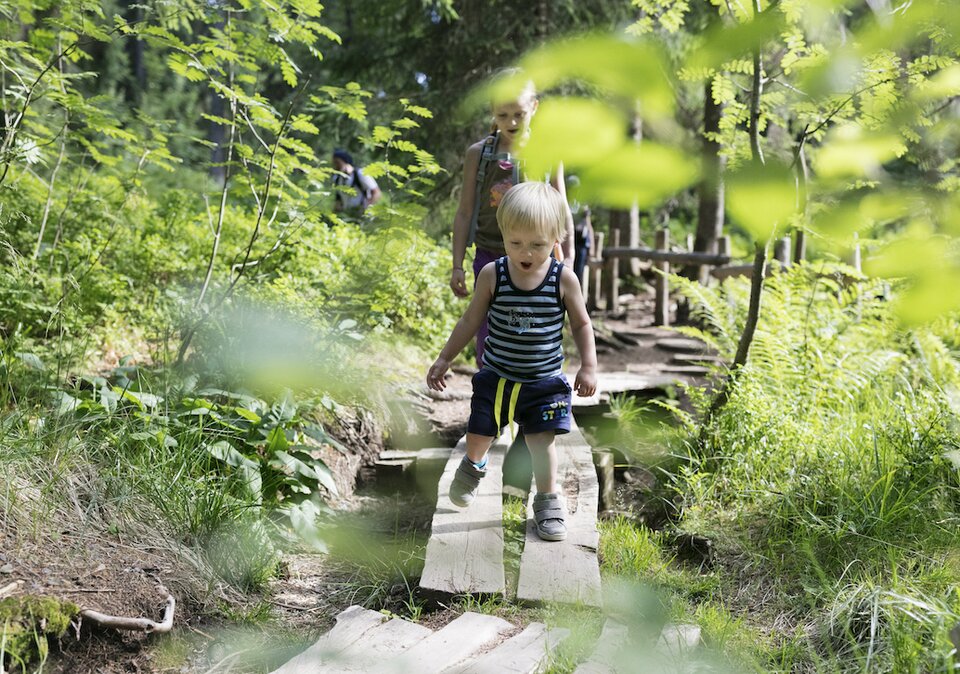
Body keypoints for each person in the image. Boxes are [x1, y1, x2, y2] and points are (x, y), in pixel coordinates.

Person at [427, 182, 597, 542]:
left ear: (555, 238)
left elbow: (581, 323)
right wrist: (445, 358)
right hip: (497, 378)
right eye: (515, 242)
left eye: (537, 244)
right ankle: (474, 465)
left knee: (542, 443)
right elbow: (470, 321)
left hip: (543, 383)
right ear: (503, 235)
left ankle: (548, 501)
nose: (526, 252)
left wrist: (589, 365)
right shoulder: (493, 275)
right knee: (478, 435)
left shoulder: (562, 279)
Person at [449, 72, 575, 366]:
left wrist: (567, 257)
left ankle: (530, 393)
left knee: (534, 328)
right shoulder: (478, 155)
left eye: (519, 113)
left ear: (534, 107)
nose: (512, 122)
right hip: (490, 255)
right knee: (486, 327)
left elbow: (561, 205)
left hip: (540, 257)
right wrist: (457, 265)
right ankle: (489, 396)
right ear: (492, 112)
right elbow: (465, 211)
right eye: (502, 115)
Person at [331, 149, 381, 215]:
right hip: (347, 215)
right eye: (334, 163)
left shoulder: (360, 174)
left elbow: (377, 193)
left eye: (338, 163)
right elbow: (338, 199)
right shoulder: (337, 178)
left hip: (363, 215)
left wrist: (367, 208)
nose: (336, 166)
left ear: (345, 162)